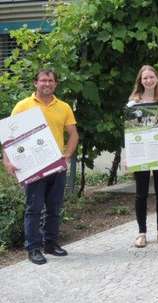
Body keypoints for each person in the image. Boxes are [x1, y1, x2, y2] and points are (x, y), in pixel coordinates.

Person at [2, 69, 79, 265]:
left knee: (54, 207)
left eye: (50, 81)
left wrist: (67, 154)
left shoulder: (64, 107)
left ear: (56, 84)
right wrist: (7, 160)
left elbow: (73, 134)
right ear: (35, 83)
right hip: (32, 167)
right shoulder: (23, 106)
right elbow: (9, 137)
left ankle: (51, 244)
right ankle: (33, 248)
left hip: (56, 167)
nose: (47, 84)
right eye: (43, 80)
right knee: (33, 208)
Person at [125, 65, 158, 248]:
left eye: (151, 77)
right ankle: (141, 233)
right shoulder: (133, 103)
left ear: (156, 79)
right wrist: (127, 156)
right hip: (140, 153)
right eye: (145, 78)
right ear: (140, 80)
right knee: (141, 193)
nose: (148, 81)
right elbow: (129, 132)